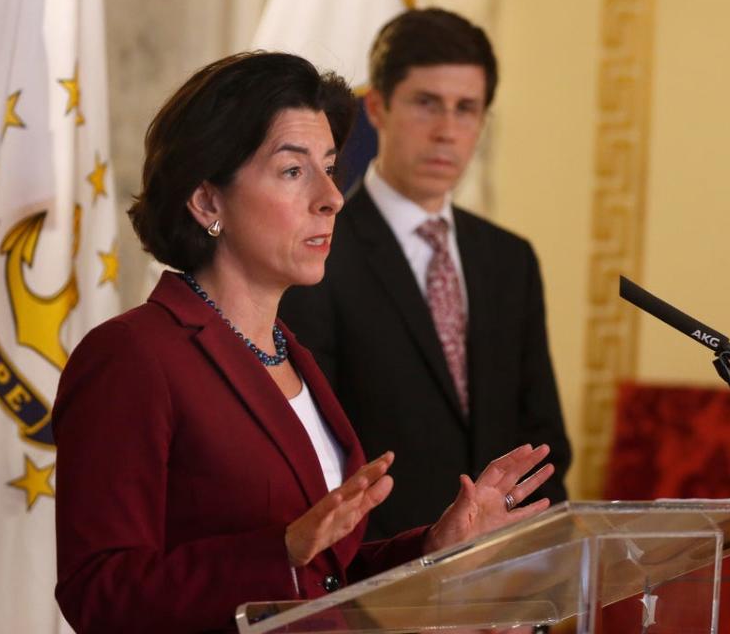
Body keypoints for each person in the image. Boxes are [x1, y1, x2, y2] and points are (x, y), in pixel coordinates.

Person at [52, 52, 554, 633]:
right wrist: (281, 551)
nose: (331, 197)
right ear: (207, 200)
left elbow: (321, 581)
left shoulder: (294, 356)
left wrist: (434, 547)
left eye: (330, 167)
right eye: (293, 171)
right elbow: (99, 593)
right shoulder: (134, 355)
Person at [279, 9, 572, 541]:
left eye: (467, 109)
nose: (446, 131)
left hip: (500, 582)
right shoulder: (316, 250)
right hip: (376, 578)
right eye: (426, 103)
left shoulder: (510, 259)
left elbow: (544, 439)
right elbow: (312, 450)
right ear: (377, 107)